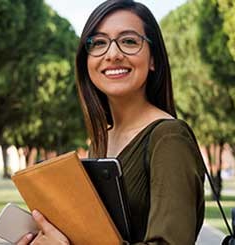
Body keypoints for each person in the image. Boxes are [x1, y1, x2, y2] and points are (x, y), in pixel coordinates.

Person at [17, 0, 205, 244]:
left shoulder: (169, 138)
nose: (113, 54)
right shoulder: (102, 139)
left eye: (129, 41)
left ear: (153, 59)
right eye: (98, 43)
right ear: (86, 61)